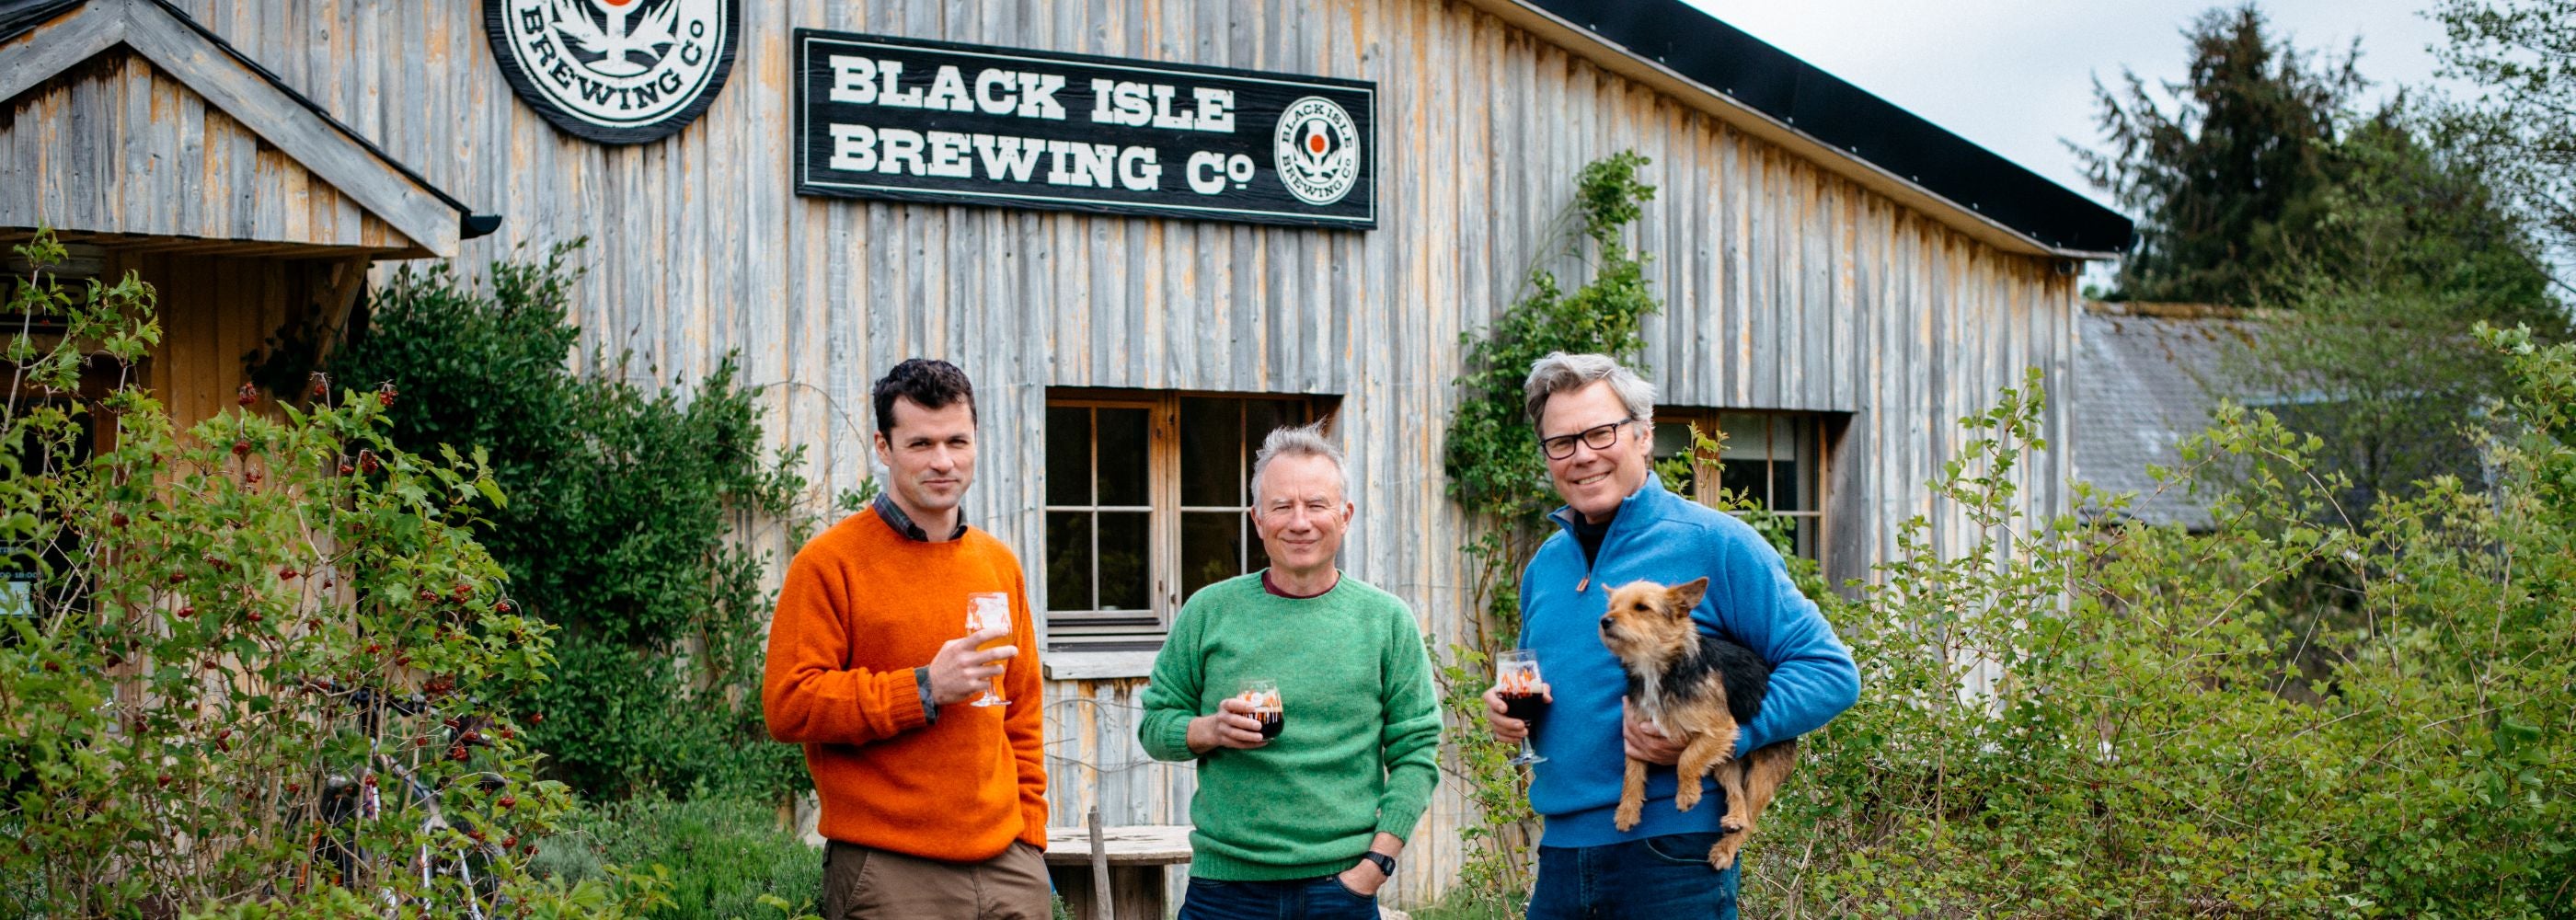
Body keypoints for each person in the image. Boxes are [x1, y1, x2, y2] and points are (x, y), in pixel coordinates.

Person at [1482, 352, 1859, 919]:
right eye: (1562, 442)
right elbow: (1554, 688)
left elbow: (1830, 673)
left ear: (1643, 436)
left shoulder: (1716, 543)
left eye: (1600, 432)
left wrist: (1718, 735)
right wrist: (1508, 715)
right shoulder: (1545, 566)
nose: (1582, 455)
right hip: (1561, 852)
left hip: (1672, 853)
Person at [762, 358, 1048, 920]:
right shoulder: (829, 564)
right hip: (891, 871)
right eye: (920, 444)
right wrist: (923, 688)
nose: (943, 461)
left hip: (1008, 866)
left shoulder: (998, 564)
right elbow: (789, 705)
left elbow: (1023, 711)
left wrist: (1031, 838)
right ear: (883, 446)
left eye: (956, 441)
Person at [1139, 421, 1443, 920]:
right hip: (1224, 890)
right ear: (1258, 520)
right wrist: (1209, 729)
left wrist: (1377, 863)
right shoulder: (1208, 612)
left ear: (1344, 516)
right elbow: (1154, 727)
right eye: (1282, 506)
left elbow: (1416, 751)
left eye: (1316, 505)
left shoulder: (1386, 621)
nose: (1299, 522)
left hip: (1340, 889)